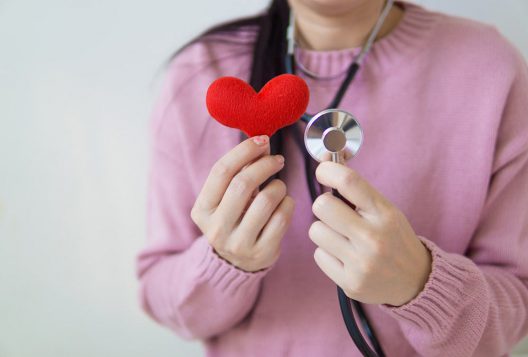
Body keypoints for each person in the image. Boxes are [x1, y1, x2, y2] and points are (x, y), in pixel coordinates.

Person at [136, 0, 528, 356]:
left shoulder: (490, 68)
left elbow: (518, 307)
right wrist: (223, 262)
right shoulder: (199, 72)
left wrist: (421, 284)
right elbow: (163, 300)